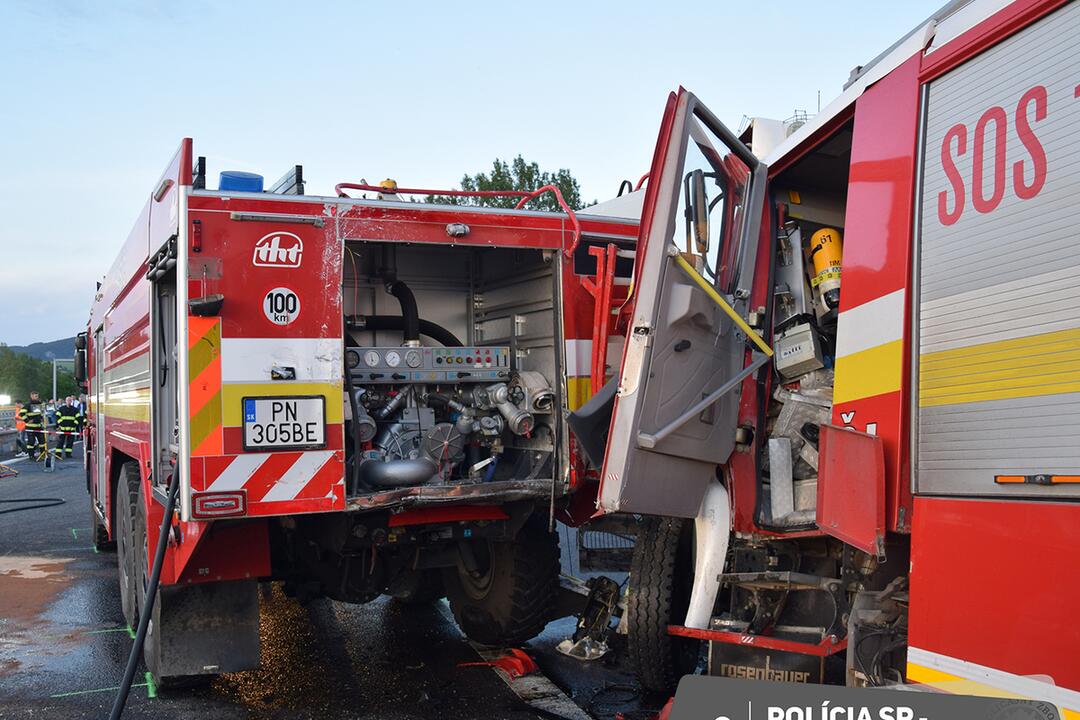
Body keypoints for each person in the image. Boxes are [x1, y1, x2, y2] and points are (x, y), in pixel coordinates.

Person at [18, 392, 45, 459]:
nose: (37, 397)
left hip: (39, 426)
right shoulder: (28, 405)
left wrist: (42, 418)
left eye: (37, 396)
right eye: (35, 396)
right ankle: (31, 456)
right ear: (31, 397)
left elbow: (40, 413)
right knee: (31, 442)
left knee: (42, 441)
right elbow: (21, 413)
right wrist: (27, 421)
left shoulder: (39, 404)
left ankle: (43, 455)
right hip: (31, 427)